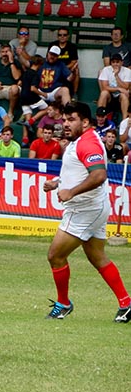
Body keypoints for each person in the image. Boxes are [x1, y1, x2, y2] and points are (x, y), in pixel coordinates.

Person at [43, 102, 131, 323]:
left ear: (85, 122)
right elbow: (81, 172)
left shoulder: (88, 143)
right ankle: (126, 303)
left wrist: (70, 192)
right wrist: (58, 183)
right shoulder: (79, 141)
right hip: (94, 206)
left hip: (84, 209)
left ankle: (63, 303)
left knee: (55, 256)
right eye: (64, 120)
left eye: (71, 120)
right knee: (97, 257)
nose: (65, 124)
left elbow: (99, 175)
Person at [17, 54, 49, 146]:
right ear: (39, 64)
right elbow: (33, 89)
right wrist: (43, 94)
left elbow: (20, 83)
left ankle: (25, 139)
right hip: (31, 97)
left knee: (27, 115)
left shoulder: (25, 72)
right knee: (47, 108)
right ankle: (32, 121)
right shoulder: (35, 75)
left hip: (22, 97)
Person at [97, 53, 131, 121]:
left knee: (123, 95)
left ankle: (124, 122)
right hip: (110, 97)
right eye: (113, 62)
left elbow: (126, 87)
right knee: (104, 93)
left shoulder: (127, 71)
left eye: (117, 62)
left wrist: (116, 76)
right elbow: (105, 87)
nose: (115, 64)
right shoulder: (106, 70)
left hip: (121, 98)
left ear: (122, 62)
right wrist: (118, 88)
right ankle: (100, 117)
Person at [48, 27, 79, 97]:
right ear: (57, 36)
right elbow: (49, 58)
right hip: (54, 67)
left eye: (64, 35)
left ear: (68, 36)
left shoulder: (72, 46)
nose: (62, 37)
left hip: (67, 68)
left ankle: (75, 93)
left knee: (76, 70)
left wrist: (63, 68)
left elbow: (74, 61)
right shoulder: (52, 45)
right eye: (60, 35)